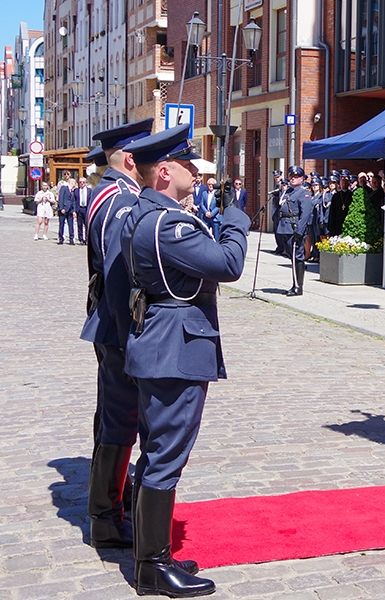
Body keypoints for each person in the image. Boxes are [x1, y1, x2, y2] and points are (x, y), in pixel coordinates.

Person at [120, 124, 250, 597]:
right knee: (166, 455)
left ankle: (150, 554)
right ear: (164, 172)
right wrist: (236, 220)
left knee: (156, 451)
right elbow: (228, 265)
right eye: (188, 166)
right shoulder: (168, 222)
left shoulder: (149, 213)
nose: (196, 173)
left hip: (162, 344)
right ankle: (152, 565)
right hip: (174, 350)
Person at [79, 120, 162, 551]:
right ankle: (106, 517)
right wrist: (132, 335)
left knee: (116, 417)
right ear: (132, 159)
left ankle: (107, 509)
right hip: (118, 327)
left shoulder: (108, 193)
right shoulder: (121, 201)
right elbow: (118, 275)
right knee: (120, 420)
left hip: (109, 324)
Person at [275, 166, 314, 296]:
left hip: (294, 228)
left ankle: (298, 287)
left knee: (297, 257)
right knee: (291, 257)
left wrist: (299, 230)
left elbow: (306, 214)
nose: (293, 178)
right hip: (285, 227)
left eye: (296, 177)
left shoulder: (304, 193)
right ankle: (294, 284)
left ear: (302, 179)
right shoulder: (288, 192)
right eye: (291, 176)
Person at [57, 178, 76, 245]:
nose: (75, 184)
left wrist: (74, 211)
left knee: (71, 225)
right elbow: (61, 198)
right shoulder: (64, 188)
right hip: (63, 209)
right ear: (71, 182)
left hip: (70, 210)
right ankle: (61, 239)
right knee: (61, 225)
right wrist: (61, 208)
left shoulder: (73, 191)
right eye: (74, 182)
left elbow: (73, 201)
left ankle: (71, 239)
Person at [74, 177, 92, 244]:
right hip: (79, 209)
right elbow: (74, 201)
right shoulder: (76, 190)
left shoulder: (89, 190)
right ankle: (81, 239)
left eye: (83, 182)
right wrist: (74, 211)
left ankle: (87, 239)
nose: (82, 183)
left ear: (86, 183)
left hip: (86, 209)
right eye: (80, 182)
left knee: (87, 225)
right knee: (79, 225)